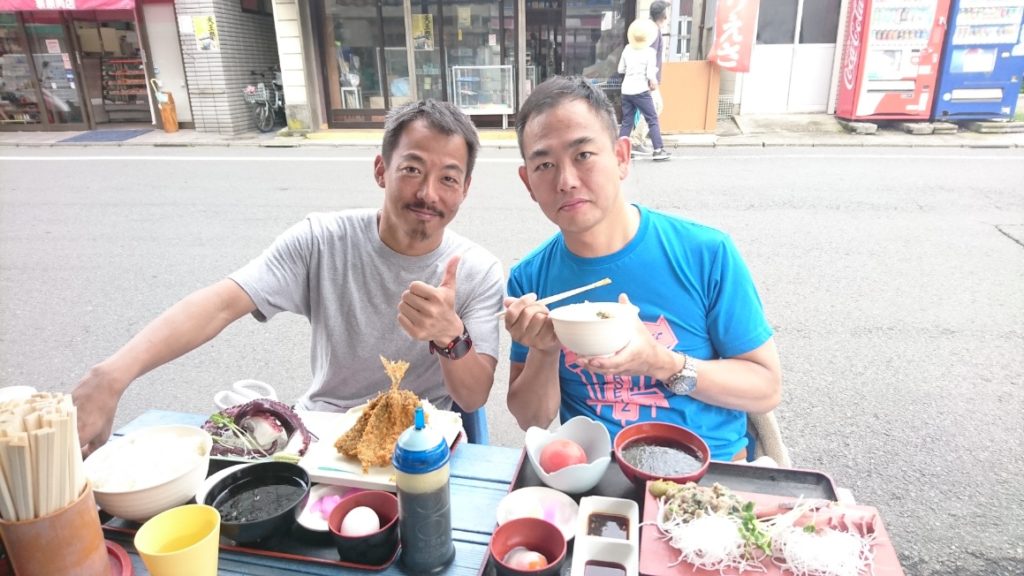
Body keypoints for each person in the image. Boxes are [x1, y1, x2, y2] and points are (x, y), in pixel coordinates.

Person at [73, 100, 504, 455]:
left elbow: (471, 398)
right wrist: (111, 376)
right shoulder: (322, 240)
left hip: (423, 442)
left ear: (464, 189)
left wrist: (450, 335)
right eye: (412, 169)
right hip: (322, 433)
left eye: (448, 178)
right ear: (381, 170)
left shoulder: (477, 270)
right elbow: (221, 304)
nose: (429, 193)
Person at [503, 76, 781, 461]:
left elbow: (766, 386)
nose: (565, 181)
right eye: (545, 164)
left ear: (621, 157)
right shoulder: (531, 280)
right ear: (528, 183)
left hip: (709, 475)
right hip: (599, 481)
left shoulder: (705, 253)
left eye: (583, 155)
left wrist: (661, 362)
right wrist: (545, 350)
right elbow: (530, 418)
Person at [618, 19, 670, 161]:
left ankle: (620, 152)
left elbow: (620, 69)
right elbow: (650, 75)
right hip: (641, 90)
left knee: (627, 121)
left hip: (626, 90)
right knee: (652, 118)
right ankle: (658, 150)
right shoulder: (649, 52)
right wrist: (652, 82)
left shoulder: (627, 49)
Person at [631, 1, 671, 155]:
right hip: (649, 80)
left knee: (652, 109)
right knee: (654, 108)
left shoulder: (650, 29)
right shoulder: (653, 31)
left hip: (647, 79)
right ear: (662, 15)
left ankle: (637, 140)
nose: (667, 17)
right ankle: (637, 141)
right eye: (666, 14)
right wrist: (651, 79)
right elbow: (649, 56)